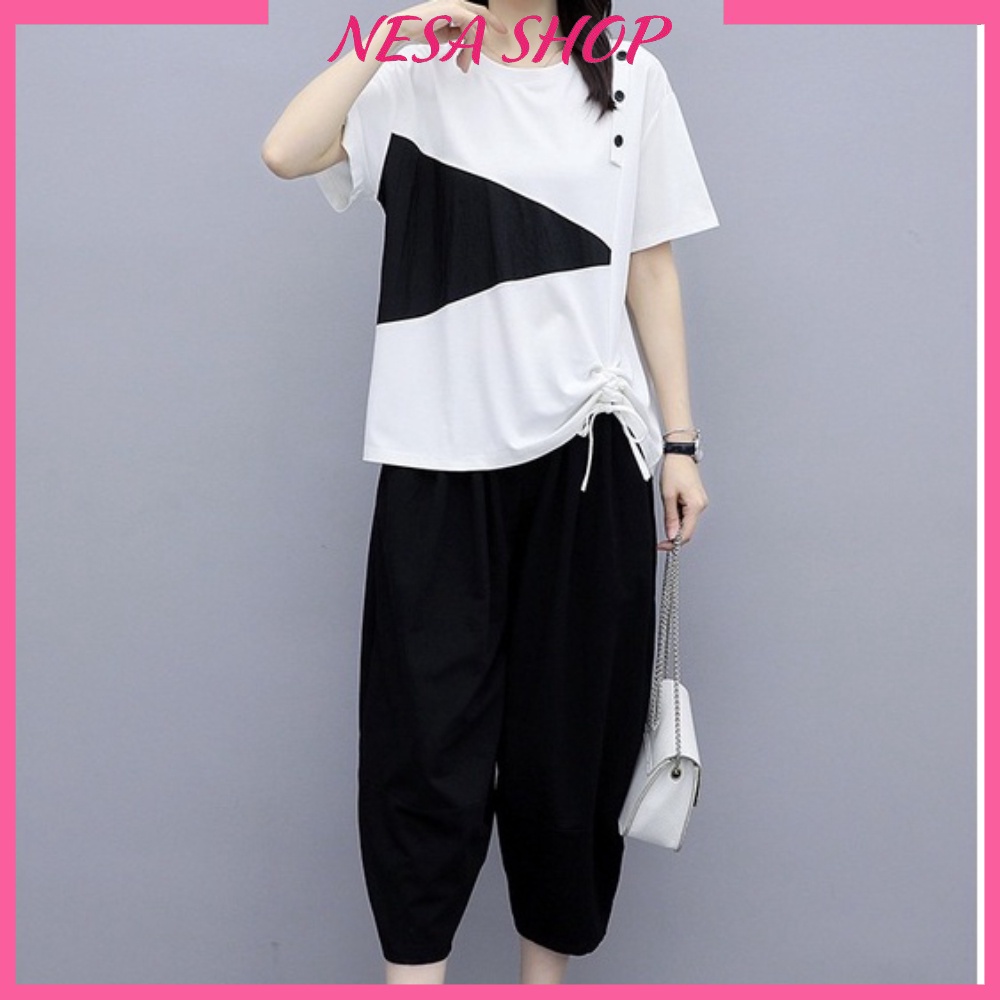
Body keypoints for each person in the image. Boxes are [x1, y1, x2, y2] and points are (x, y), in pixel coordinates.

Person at [261, 0, 718, 984]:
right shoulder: (413, 72)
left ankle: (542, 981)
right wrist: (393, 30)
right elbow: (286, 151)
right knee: (422, 744)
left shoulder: (629, 73)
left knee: (569, 745)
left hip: (591, 451)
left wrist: (679, 441)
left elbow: (650, 263)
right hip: (439, 453)